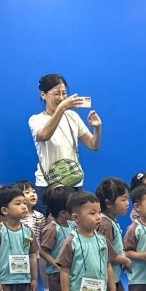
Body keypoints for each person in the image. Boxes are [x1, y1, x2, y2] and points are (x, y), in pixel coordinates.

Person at [28, 73, 102, 213]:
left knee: (75, 222)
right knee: (49, 224)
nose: (61, 98)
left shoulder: (73, 116)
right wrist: (62, 108)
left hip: (73, 182)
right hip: (48, 185)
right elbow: (44, 135)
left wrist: (97, 128)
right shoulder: (35, 119)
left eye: (64, 93)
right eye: (57, 94)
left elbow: (93, 145)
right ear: (43, 95)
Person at [94, 177, 132, 291]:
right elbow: (105, 252)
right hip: (104, 281)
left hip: (115, 279)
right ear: (108, 203)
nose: (127, 203)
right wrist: (124, 259)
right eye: (123, 199)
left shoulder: (113, 222)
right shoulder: (105, 224)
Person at [39, 186, 74, 291]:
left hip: (71, 274)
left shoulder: (72, 225)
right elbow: (42, 251)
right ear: (63, 212)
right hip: (56, 275)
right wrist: (55, 264)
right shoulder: (52, 228)